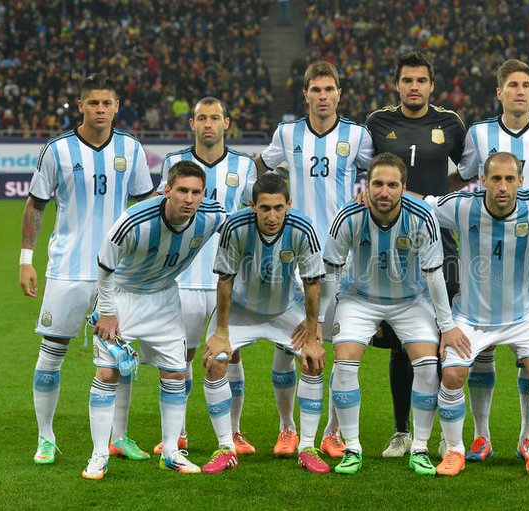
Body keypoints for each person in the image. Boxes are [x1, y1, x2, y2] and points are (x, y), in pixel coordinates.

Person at [19, 73, 154, 465]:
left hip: (119, 273)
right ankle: (45, 438)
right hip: (68, 271)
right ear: (80, 106)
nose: (99, 109)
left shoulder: (131, 148)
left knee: (120, 356)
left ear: (116, 107)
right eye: (92, 103)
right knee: (51, 353)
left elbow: (145, 208)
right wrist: (26, 261)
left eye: (106, 103)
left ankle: (120, 436)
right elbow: (36, 206)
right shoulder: (57, 150)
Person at [319, 152, 469, 475]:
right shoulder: (347, 217)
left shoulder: (422, 216)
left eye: (391, 185)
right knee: (344, 360)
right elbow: (330, 275)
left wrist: (448, 325)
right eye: (377, 184)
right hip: (359, 298)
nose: (383, 192)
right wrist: (319, 323)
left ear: (403, 187)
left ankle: (420, 448)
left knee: (428, 364)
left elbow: (434, 276)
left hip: (410, 299)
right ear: (367, 185)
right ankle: (352, 448)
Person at [255, 61, 373, 458]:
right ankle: (288, 429)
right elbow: (264, 167)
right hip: (293, 257)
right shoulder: (287, 134)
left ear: (339, 93)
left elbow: (378, 176)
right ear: (305, 95)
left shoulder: (357, 136)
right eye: (316, 90)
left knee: (340, 348)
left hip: (341, 257)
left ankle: (332, 432)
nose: (323, 96)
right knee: (287, 346)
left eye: (329, 89)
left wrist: (365, 193)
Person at [82, 161, 226, 479]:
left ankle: (172, 452)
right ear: (166, 190)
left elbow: (243, 224)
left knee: (175, 373)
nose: (189, 199)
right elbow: (105, 267)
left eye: (196, 192)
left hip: (163, 297)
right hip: (121, 295)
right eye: (182, 191)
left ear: (204, 194)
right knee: (107, 373)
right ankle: (99, 454)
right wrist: (106, 312)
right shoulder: (134, 221)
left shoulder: (212, 215)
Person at [457, 59, 529, 462]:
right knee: (481, 348)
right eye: (512, 85)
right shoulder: (480, 132)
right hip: (487, 254)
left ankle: (526, 435)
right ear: (499, 92)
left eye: (527, 85)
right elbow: (465, 177)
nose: (520, 91)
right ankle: (482, 434)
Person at [429, 152, 529, 478]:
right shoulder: (462, 206)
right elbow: (422, 204)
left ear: (520, 181)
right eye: (496, 179)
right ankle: (456, 449)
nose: (502, 186)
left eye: (509, 179)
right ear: (483, 180)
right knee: (452, 376)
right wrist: (380, 193)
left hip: (523, 315)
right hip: (471, 316)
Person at [365, 50, 467, 458]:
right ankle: (401, 431)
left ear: (431, 85)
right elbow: (367, 174)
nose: (414, 87)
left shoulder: (450, 124)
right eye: (407, 80)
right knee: (399, 343)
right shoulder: (377, 123)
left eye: (420, 80)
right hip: (391, 241)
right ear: (397, 84)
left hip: (440, 239)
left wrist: (435, 201)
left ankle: (445, 432)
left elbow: (469, 170)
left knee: (444, 336)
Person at [153, 97, 257, 459]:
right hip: (183, 280)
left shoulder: (244, 165)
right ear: (192, 124)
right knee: (180, 356)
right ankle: (178, 432)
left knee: (232, 355)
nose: (208, 124)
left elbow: (254, 217)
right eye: (201, 118)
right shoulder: (174, 164)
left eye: (214, 117)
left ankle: (235, 431)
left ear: (227, 122)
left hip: (227, 279)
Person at [209, 172, 328, 474]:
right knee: (215, 360)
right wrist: (222, 333)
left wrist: (313, 332)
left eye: (278, 208)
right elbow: (225, 280)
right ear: (252, 206)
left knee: (313, 360)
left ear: (288, 204)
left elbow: (313, 284)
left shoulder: (302, 228)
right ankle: (226, 445)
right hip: (241, 308)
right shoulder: (235, 226)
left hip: (284, 309)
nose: (272, 216)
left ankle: (305, 444)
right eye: (265, 208)